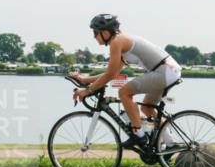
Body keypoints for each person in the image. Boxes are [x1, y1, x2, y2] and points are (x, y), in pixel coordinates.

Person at [71, 14, 181, 151]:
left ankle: (138, 134)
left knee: (124, 92)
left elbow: (110, 74)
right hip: (168, 71)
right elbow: (113, 72)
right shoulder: (122, 41)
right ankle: (171, 144)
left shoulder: (117, 42)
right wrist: (84, 79)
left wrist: (87, 91)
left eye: (95, 32)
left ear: (105, 32)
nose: (94, 37)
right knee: (147, 109)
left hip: (163, 71)